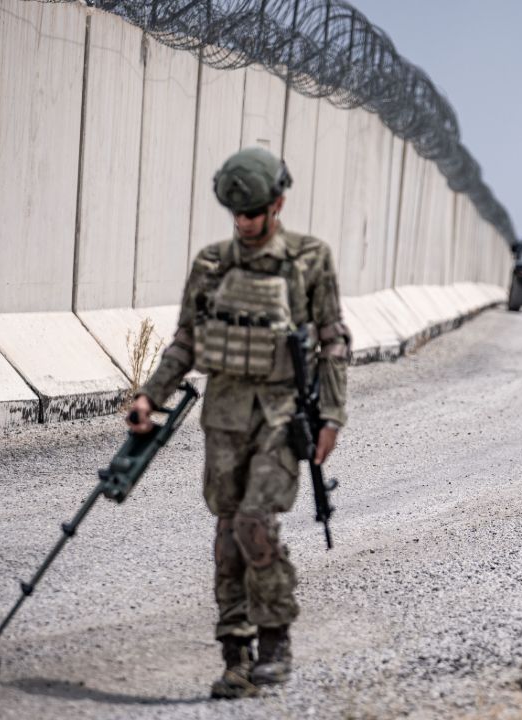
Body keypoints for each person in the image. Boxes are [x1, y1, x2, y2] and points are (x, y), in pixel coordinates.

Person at [127, 147, 351, 698]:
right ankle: (236, 653)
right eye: (237, 214)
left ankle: (275, 640)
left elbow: (333, 340)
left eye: (254, 212)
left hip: (281, 415)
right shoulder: (211, 264)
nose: (245, 223)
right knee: (228, 536)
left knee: (255, 522)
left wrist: (332, 415)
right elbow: (187, 340)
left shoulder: (309, 259)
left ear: (277, 204)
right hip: (224, 417)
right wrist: (149, 398)